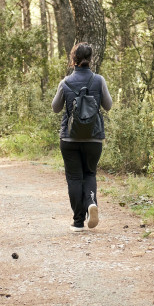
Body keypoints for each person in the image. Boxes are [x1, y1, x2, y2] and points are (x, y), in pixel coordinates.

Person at [51, 42, 113, 232]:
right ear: (91, 59)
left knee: (74, 177)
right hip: (93, 138)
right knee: (90, 173)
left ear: (73, 59)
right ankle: (91, 203)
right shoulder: (99, 80)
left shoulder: (66, 82)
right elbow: (108, 105)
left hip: (69, 139)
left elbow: (56, 107)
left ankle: (78, 222)